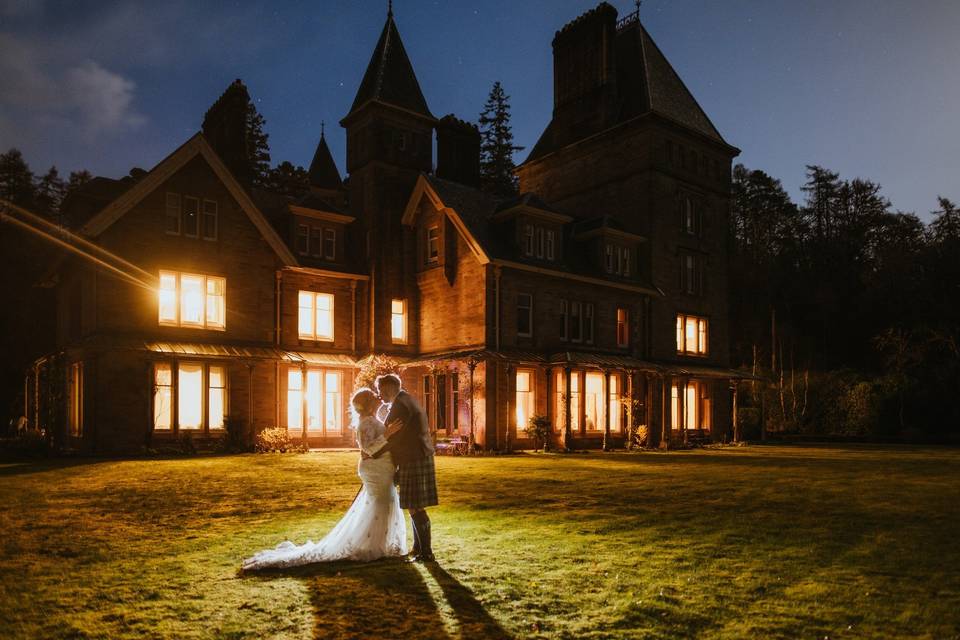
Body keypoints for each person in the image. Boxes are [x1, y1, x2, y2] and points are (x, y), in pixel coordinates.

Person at [241, 388, 406, 570]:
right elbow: (368, 449)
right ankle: (374, 547)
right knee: (381, 504)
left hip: (382, 468)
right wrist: (388, 434)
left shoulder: (372, 420)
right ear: (367, 404)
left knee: (383, 503)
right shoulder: (365, 423)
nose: (378, 396)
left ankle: (379, 544)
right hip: (375, 470)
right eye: (374, 396)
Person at [373, 373, 438, 563]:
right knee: (414, 505)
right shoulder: (407, 399)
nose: (379, 395)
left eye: (380, 391)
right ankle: (419, 549)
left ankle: (426, 553)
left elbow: (393, 436)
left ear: (388, 388)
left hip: (413, 458)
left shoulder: (400, 405)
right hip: (418, 456)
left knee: (415, 505)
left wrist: (374, 454)